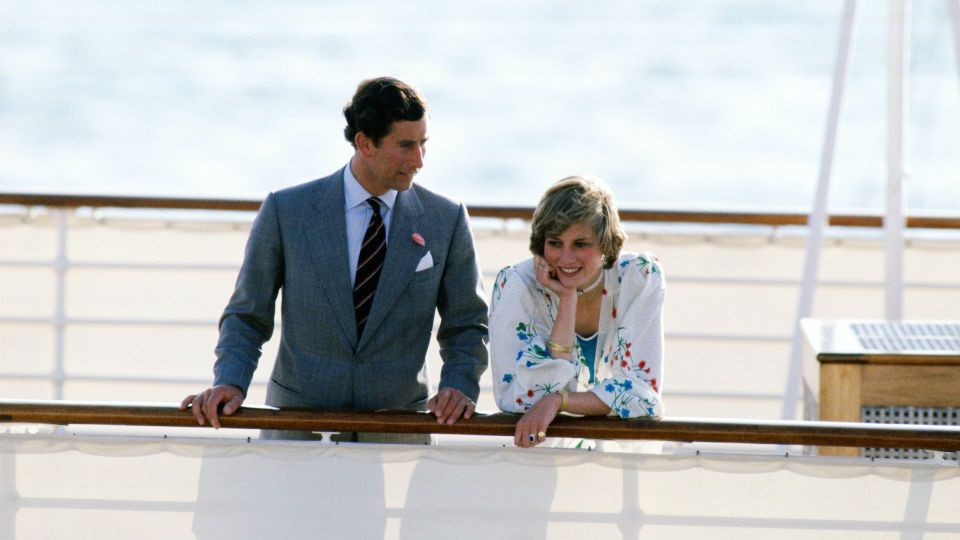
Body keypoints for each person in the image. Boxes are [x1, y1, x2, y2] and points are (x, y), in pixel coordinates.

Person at [181, 77, 489, 443]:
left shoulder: (446, 219)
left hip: (398, 435)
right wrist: (230, 381)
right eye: (406, 145)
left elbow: (468, 323)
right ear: (364, 142)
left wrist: (458, 385)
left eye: (424, 144)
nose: (419, 160)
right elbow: (247, 315)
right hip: (297, 432)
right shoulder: (287, 211)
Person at [489, 175, 664, 448]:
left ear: (605, 244)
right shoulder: (517, 285)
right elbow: (525, 397)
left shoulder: (639, 278)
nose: (566, 259)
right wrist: (567, 298)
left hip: (624, 457)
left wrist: (561, 400)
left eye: (581, 244)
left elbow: (643, 396)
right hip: (539, 456)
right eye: (555, 243)